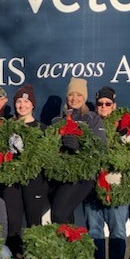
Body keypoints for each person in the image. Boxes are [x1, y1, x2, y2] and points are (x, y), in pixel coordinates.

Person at [0, 84, 49, 256]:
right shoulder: (7, 128)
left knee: (34, 221)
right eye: (19, 101)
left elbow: (45, 157)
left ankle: (35, 258)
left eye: (26, 101)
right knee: (12, 223)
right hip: (12, 181)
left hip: (34, 182)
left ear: (33, 105)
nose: (22, 105)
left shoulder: (42, 129)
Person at [50, 77, 107, 225]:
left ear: (85, 97)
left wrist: (79, 147)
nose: (74, 98)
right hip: (62, 174)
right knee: (64, 216)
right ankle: (72, 246)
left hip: (83, 175)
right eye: (71, 94)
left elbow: (100, 149)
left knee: (59, 213)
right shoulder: (57, 121)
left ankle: (73, 242)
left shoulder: (91, 119)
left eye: (79, 95)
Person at [84, 86, 129, 259]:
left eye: (107, 103)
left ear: (114, 105)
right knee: (94, 230)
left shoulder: (123, 127)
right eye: (100, 103)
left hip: (116, 187)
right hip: (92, 187)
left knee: (118, 229)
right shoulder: (88, 124)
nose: (103, 106)